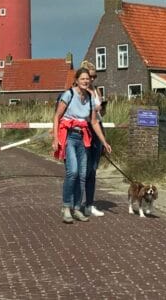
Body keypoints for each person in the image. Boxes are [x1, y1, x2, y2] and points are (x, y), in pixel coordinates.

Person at [52, 66, 112, 223]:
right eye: (83, 79)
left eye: (88, 79)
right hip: (69, 137)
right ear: (77, 80)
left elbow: (93, 122)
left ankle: (77, 208)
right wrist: (55, 138)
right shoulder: (69, 94)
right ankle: (66, 207)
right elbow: (57, 116)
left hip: (83, 138)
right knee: (73, 172)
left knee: (83, 175)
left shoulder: (90, 99)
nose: (86, 81)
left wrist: (104, 141)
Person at [80, 61, 108, 217]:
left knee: (93, 169)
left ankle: (89, 204)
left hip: (97, 129)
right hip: (84, 130)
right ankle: (76, 203)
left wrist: (102, 109)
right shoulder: (79, 92)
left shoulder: (97, 90)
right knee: (81, 170)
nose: (92, 80)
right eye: (90, 76)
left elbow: (100, 115)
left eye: (94, 76)